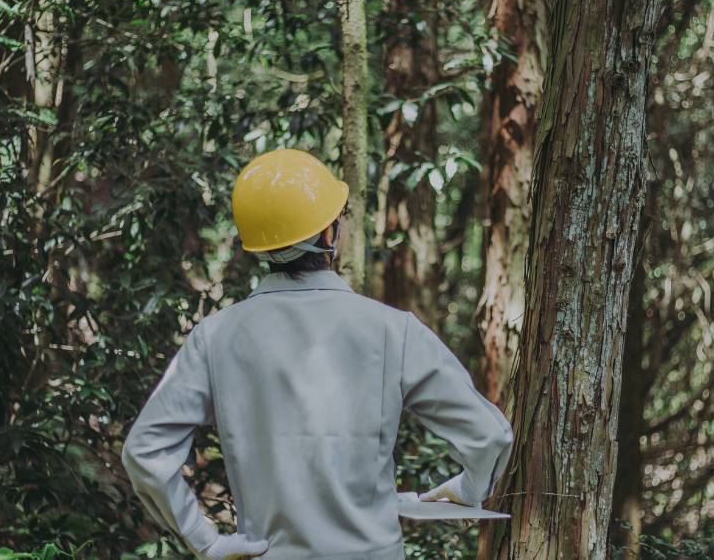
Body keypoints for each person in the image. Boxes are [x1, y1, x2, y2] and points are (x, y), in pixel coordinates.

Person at [120, 149, 514, 560]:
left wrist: (207, 541)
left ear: (259, 246)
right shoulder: (393, 330)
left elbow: (145, 451)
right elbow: (489, 436)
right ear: (329, 235)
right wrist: (468, 489)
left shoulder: (214, 338)